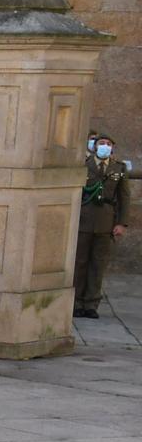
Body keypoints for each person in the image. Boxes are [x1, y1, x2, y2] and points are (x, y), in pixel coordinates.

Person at [75, 133, 129, 319]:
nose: (104, 146)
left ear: (112, 148)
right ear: (94, 146)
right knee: (80, 262)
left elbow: (124, 198)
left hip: (106, 221)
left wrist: (121, 223)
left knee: (98, 264)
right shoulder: (84, 164)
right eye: (101, 143)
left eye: (108, 144)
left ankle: (91, 303)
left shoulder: (119, 168)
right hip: (84, 219)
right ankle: (76, 302)